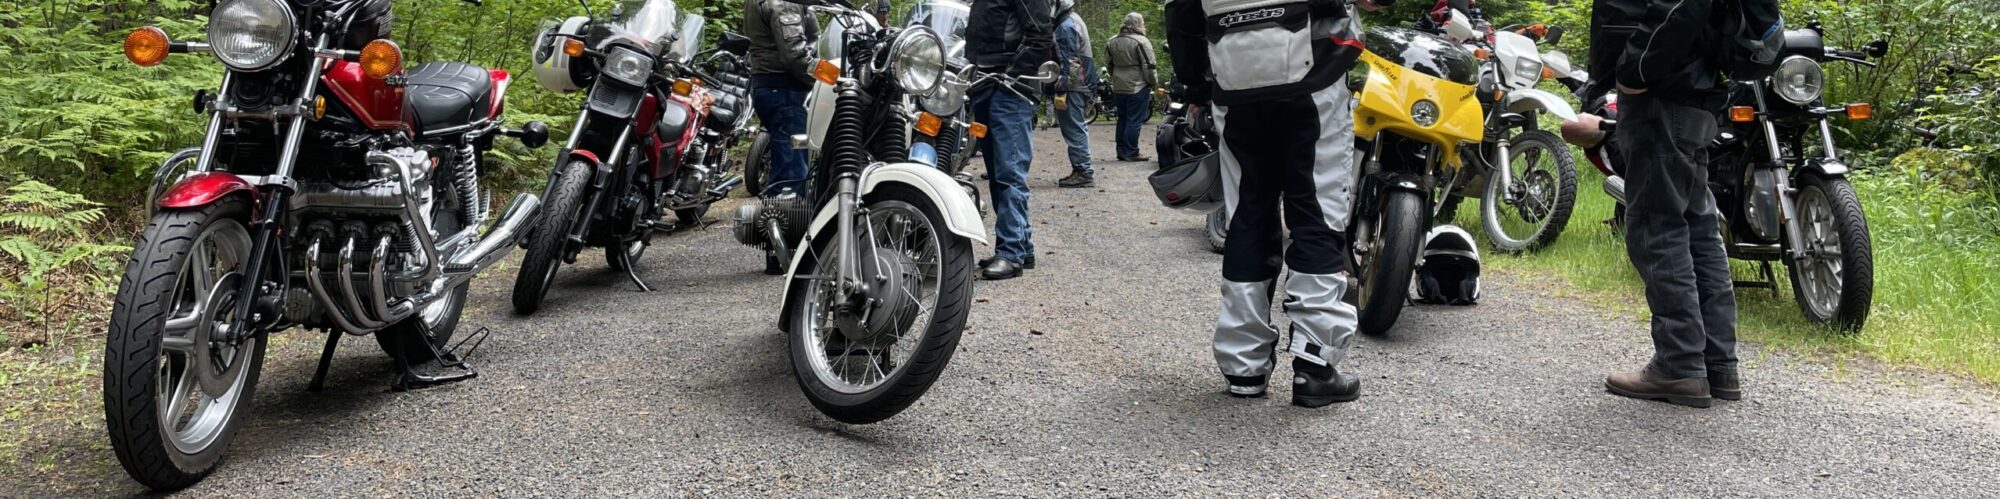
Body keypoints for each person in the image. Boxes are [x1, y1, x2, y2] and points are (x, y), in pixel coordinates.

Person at [1166, 0, 1379, 407]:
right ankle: (1315, 366)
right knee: (1316, 214)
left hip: (1235, 80)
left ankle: (1243, 366)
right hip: (1313, 72)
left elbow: (1181, 13)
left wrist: (1194, 85)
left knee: (1248, 214)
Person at [1596, 0, 1740, 408]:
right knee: (1698, 230)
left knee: (1657, 228)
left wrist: (1634, 69)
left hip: (1664, 91)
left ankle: (1679, 365)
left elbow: (1680, 6)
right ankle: (1716, 365)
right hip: (1696, 88)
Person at [966, 0, 1054, 280]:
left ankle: (1011, 252)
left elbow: (1041, 33)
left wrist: (1012, 74)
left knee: (1009, 171)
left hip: (1011, 89)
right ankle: (1020, 246)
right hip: (985, 82)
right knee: (996, 171)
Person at [744, 0, 819, 198]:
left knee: (786, 159)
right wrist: (823, 78)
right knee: (791, 174)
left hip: (772, 86)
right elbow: (795, 55)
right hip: (786, 88)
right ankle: (785, 222)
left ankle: (780, 218)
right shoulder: (784, 3)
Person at [1052, 0, 1098, 188]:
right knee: (1077, 127)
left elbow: (1070, 61)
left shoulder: (1065, 26)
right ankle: (1081, 169)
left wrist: (1061, 85)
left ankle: (1084, 172)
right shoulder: (1074, 19)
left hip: (1075, 85)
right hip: (1082, 82)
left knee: (1074, 128)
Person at [1105, 12, 1158, 163]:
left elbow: (1108, 63)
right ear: (1138, 24)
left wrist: (1114, 77)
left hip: (1118, 85)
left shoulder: (1112, 41)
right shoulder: (1142, 41)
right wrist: (1152, 82)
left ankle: (1121, 150)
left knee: (1122, 118)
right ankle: (1131, 152)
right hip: (1137, 85)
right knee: (1134, 120)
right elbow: (1149, 66)